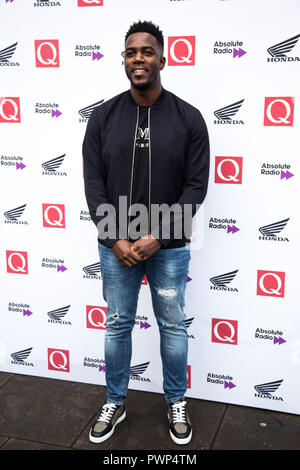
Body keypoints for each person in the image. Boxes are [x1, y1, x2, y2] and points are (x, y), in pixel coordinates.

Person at [82, 20, 209, 446]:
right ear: (124, 60)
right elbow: (93, 183)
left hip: (168, 246)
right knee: (118, 324)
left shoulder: (189, 118)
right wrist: (115, 237)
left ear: (162, 58)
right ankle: (115, 401)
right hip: (115, 245)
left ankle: (176, 401)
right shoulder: (102, 116)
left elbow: (196, 187)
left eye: (147, 51)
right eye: (131, 52)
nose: (139, 58)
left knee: (172, 325)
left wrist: (159, 234)